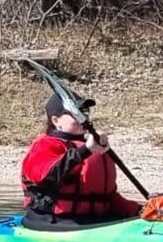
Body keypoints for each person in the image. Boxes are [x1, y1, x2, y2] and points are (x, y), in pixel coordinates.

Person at [20, 93, 141, 224]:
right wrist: (85, 150)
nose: (83, 118)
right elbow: (47, 176)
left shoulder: (93, 147)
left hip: (91, 219)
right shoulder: (45, 145)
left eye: (85, 113)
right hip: (52, 220)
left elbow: (107, 198)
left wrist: (139, 210)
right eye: (75, 114)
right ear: (56, 120)